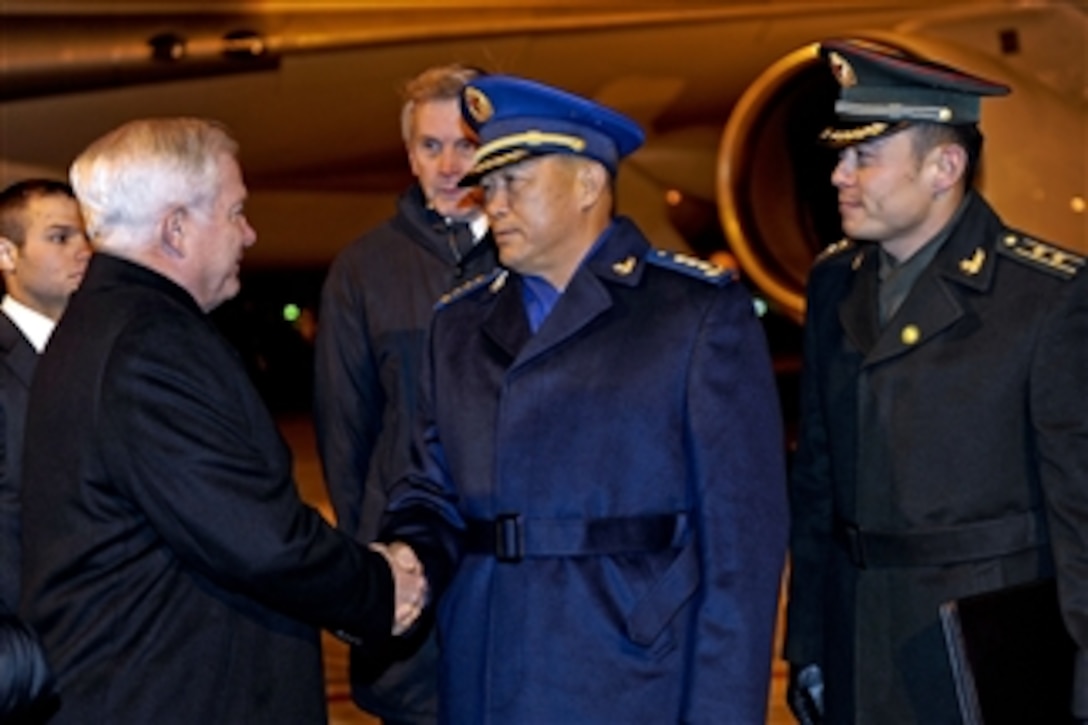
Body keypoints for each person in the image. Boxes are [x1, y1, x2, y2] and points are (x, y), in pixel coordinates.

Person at [377, 75, 789, 723]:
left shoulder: (691, 316)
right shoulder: (458, 325)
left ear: (588, 184)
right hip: (488, 670)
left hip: (631, 677)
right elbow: (430, 490)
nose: (495, 203)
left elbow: (740, 552)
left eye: (517, 181)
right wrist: (409, 555)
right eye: (493, 182)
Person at [18, 118, 428, 724]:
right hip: (174, 697)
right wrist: (377, 585)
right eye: (236, 212)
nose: (250, 233)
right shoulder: (147, 343)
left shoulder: (108, 324)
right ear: (176, 229)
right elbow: (254, 534)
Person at [785, 39, 1088, 723]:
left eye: (865, 156)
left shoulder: (1044, 298)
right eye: (840, 155)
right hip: (860, 644)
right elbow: (818, 490)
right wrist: (807, 644)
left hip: (989, 657)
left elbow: (1082, 511)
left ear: (944, 166)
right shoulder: (835, 284)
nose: (840, 175)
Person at [313, 62, 496, 725]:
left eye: (466, 144)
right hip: (410, 577)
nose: (449, 165)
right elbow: (345, 435)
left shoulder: (530, 258)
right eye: (430, 145)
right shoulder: (362, 271)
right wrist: (374, 573)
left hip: (507, 574)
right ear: (408, 153)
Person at [0, 179, 90, 611]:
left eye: (87, 235)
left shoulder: (102, 349)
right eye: (59, 237)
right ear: (6, 254)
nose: (82, 250)